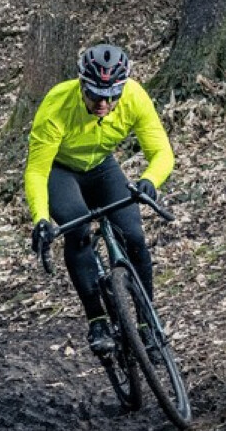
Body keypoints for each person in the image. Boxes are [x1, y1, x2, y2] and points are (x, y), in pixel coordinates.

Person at [24, 43, 174, 356]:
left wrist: (149, 181)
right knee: (78, 233)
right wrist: (40, 217)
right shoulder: (57, 105)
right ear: (81, 85)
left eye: (112, 96)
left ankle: (146, 322)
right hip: (60, 171)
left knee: (133, 237)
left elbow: (161, 152)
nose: (104, 103)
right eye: (95, 95)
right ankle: (98, 321)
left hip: (102, 168)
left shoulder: (134, 97)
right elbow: (37, 171)